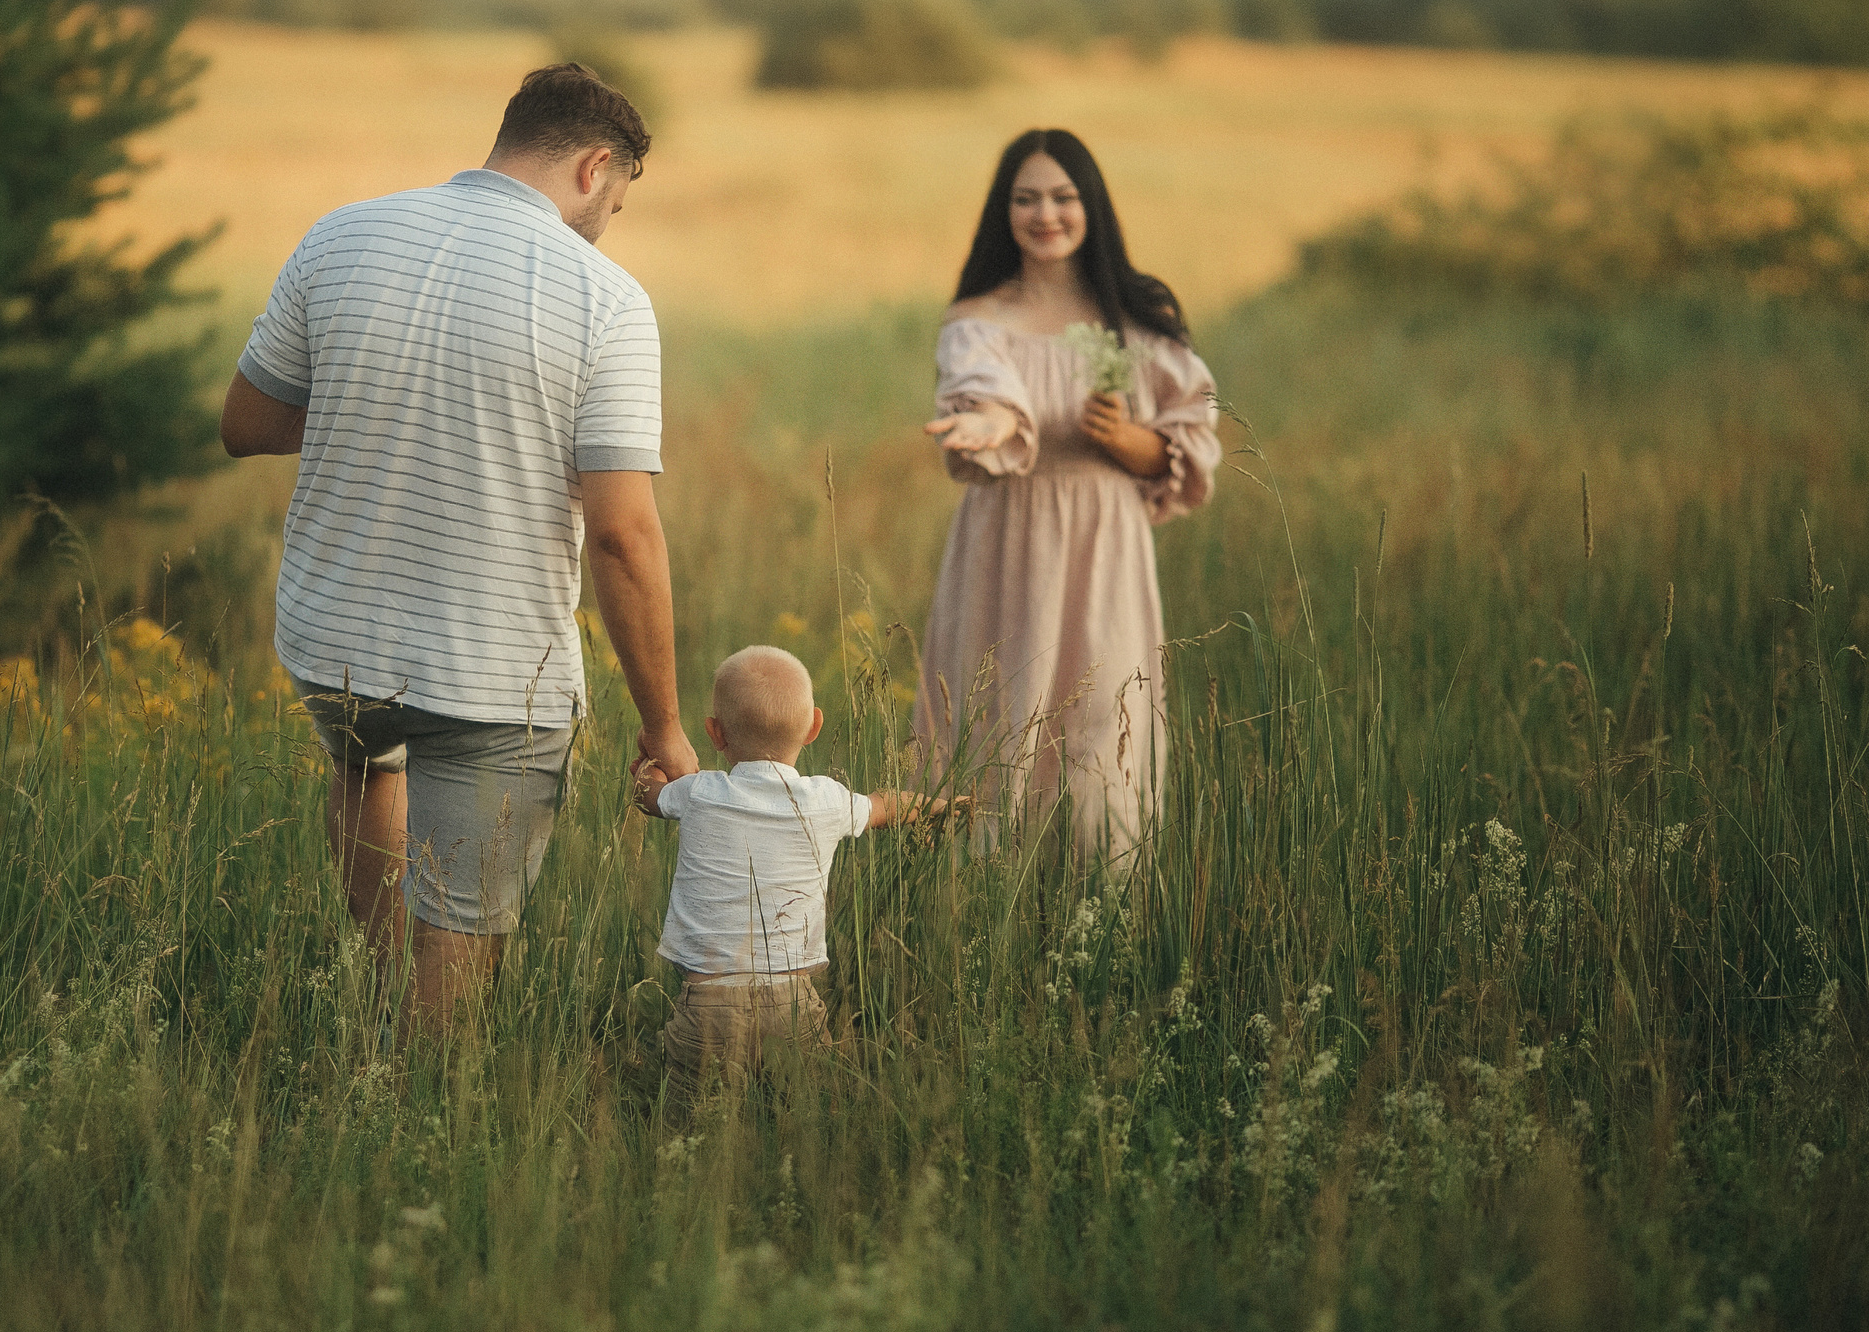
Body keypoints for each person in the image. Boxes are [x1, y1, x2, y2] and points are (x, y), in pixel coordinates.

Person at [220, 64, 700, 1036]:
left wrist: (385, 406)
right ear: (592, 167)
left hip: (334, 640)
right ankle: (419, 1102)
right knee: (461, 944)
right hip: (492, 673)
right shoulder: (605, 299)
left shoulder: (341, 234)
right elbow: (620, 532)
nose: (609, 220)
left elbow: (247, 420)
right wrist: (665, 724)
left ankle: (377, 994)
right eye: (615, 200)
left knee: (368, 770)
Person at [915, 129, 1220, 866]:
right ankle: (983, 899)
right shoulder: (979, 318)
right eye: (1025, 199)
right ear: (1004, 211)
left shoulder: (1136, 322)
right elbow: (990, 397)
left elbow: (1185, 441)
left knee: (1099, 716)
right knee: (998, 715)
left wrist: (1123, 437)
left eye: (1061, 196)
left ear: (1091, 206)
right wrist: (986, 423)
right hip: (1005, 537)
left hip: (1103, 543)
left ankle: (1100, 900)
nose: (1044, 214)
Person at [631, 645, 959, 1108]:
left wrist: (645, 768)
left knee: (693, 1122)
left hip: (708, 1005)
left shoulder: (700, 792)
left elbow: (649, 795)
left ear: (714, 733)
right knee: (809, 1114)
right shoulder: (826, 800)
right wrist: (936, 808)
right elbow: (887, 804)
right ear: (813, 727)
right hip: (794, 1003)